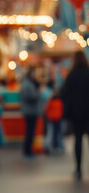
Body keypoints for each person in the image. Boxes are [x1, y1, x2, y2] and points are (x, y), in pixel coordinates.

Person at [60, 50, 89, 180]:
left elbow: (63, 93)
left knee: (78, 140)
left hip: (77, 113)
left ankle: (78, 168)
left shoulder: (71, 75)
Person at [19, 66, 42, 159]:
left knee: (31, 132)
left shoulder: (29, 83)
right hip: (30, 111)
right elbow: (30, 96)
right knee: (30, 132)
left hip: (31, 110)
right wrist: (38, 93)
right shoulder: (27, 84)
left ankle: (28, 150)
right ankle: (27, 151)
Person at [44, 89, 64, 155]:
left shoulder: (50, 101)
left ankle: (51, 146)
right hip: (56, 119)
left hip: (52, 119)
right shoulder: (60, 101)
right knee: (56, 133)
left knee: (52, 133)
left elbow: (46, 109)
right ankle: (56, 146)